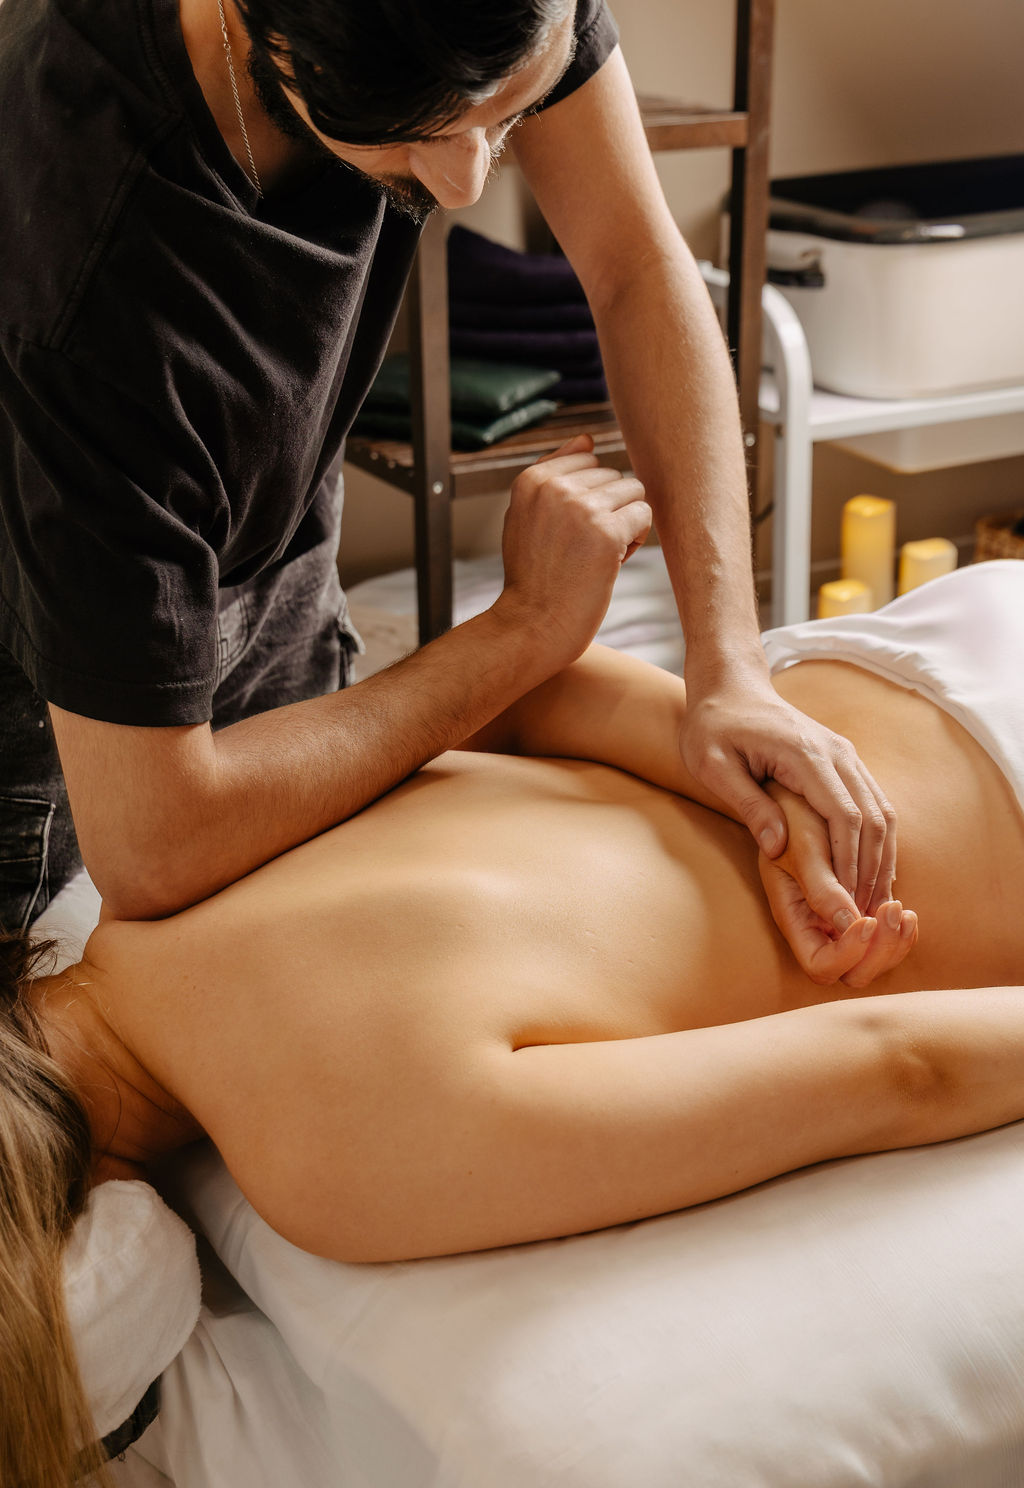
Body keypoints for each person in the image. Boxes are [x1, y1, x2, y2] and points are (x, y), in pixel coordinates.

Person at [2, 561, 1024, 1488]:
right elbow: (540, 696)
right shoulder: (176, 855)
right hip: (904, 657)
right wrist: (772, 814)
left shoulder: (323, 1156)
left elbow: (901, 1066)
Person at [0, 0, 894, 939]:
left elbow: (633, 261)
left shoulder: (496, 11)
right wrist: (521, 630)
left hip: (270, 573)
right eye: (417, 135)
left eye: (509, 113)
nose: (465, 184)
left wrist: (732, 668)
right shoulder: (85, 284)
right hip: (48, 703)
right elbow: (154, 847)